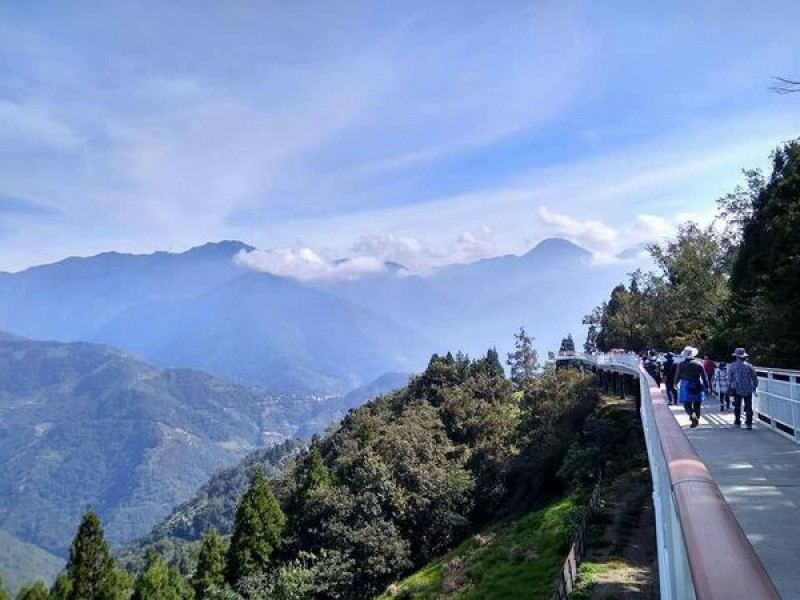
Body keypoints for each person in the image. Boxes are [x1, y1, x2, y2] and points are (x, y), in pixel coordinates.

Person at [676, 346, 710, 428]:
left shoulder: (681, 364)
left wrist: (675, 383)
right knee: (697, 404)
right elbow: (704, 376)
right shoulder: (699, 364)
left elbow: (677, 375)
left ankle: (692, 416)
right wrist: (707, 386)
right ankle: (696, 418)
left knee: (687, 404)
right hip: (697, 383)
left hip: (686, 384)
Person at [728, 347, 759, 430]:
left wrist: (731, 387)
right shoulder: (749, 366)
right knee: (748, 406)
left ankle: (737, 422)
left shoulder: (732, 366)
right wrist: (754, 387)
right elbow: (754, 378)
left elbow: (729, 379)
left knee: (737, 406)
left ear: (736, 356)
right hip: (748, 388)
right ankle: (749, 423)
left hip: (736, 388)